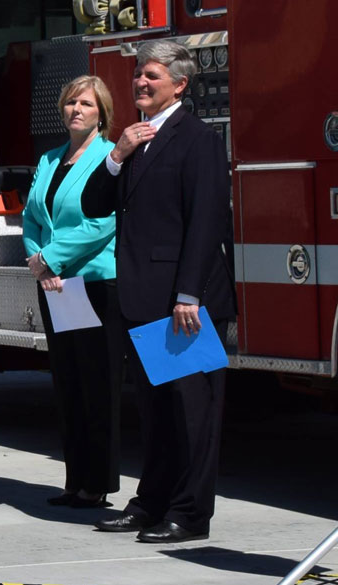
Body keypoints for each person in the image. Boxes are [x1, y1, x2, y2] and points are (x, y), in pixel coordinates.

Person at [83, 40, 235, 543]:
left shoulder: (197, 139)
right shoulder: (135, 138)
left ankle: (189, 514)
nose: (140, 83)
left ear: (180, 84)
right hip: (142, 297)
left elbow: (205, 221)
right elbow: (94, 203)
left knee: (192, 414)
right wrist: (117, 154)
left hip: (181, 301)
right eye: (138, 75)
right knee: (156, 413)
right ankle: (152, 500)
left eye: (151, 75)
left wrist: (190, 293)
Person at [22, 75, 122, 508]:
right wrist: (39, 263)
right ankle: (75, 479)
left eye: (85, 103)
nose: (76, 110)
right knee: (67, 382)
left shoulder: (108, 158)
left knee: (97, 383)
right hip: (57, 287)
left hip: (93, 284)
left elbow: (102, 222)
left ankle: (98, 482)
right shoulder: (49, 159)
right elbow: (31, 218)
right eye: (70, 103)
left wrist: (52, 260)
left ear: (102, 112)